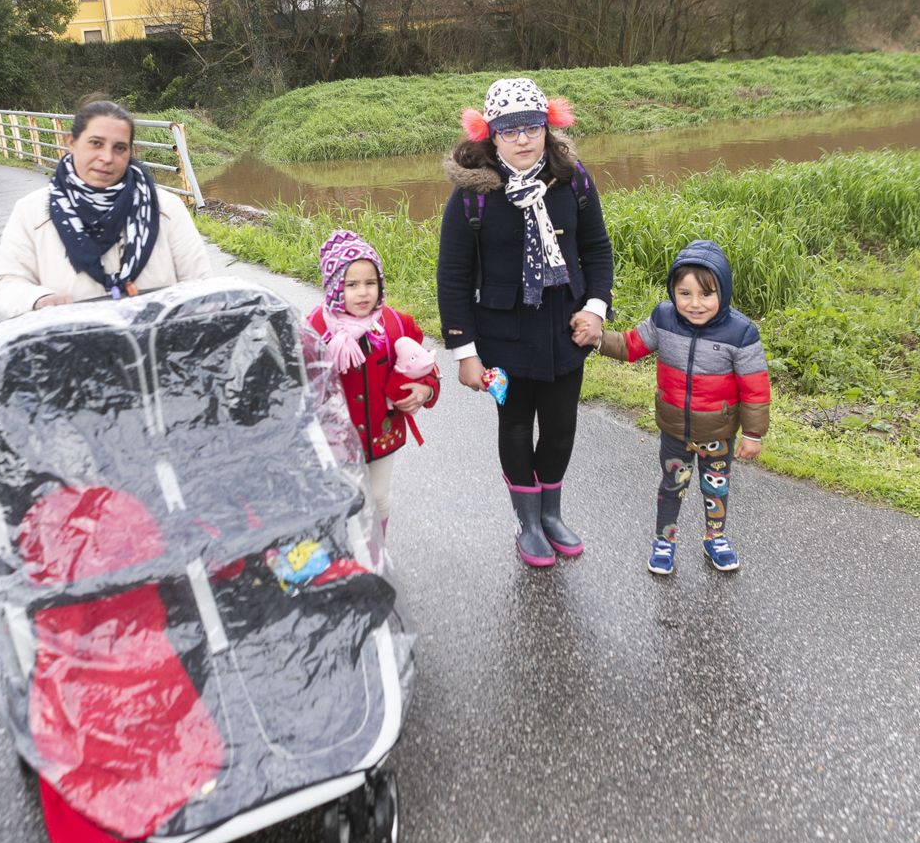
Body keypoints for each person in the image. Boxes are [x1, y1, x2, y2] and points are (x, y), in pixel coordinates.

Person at [437, 77, 614, 568]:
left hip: (565, 331)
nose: (521, 139)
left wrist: (596, 309)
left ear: (547, 126)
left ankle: (552, 514)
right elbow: (452, 277)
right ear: (490, 135)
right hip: (503, 337)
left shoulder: (573, 179)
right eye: (508, 130)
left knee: (560, 428)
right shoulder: (471, 197)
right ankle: (529, 522)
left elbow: (597, 250)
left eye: (531, 127)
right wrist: (465, 353)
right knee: (515, 425)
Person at [597, 239, 770, 576]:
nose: (694, 304)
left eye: (706, 294)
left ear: (723, 292)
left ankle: (715, 538)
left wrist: (753, 434)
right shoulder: (664, 318)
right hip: (674, 429)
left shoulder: (741, 333)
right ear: (673, 291)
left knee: (715, 487)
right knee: (672, 486)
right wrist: (598, 338)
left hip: (717, 433)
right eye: (685, 293)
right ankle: (665, 541)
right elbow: (632, 345)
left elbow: (755, 388)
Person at [0, 100, 212, 317]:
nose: (107, 158)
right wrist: (37, 299)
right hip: (71, 347)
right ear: (71, 142)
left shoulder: (166, 208)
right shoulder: (31, 212)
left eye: (119, 148)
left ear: (130, 152)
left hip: (156, 347)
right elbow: (6, 283)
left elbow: (200, 284)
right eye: (96, 143)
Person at [306, 230, 440, 534]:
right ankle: (349, 554)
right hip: (336, 439)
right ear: (334, 287)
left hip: (383, 432)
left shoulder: (395, 323)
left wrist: (425, 388)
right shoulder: (314, 329)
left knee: (379, 496)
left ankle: (376, 549)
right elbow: (299, 380)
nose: (363, 293)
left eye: (371, 283)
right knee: (347, 498)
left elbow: (423, 365)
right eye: (351, 285)